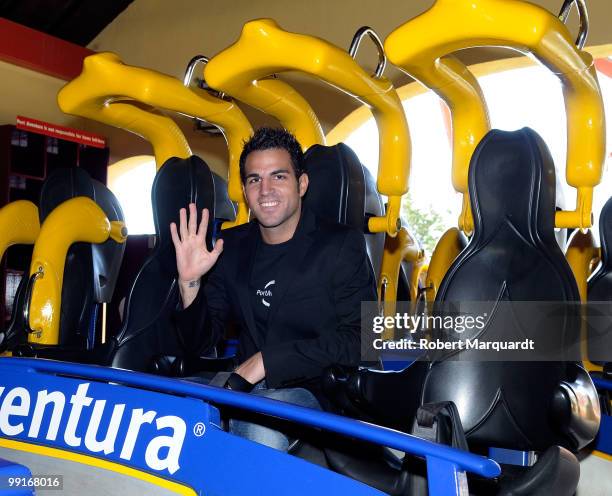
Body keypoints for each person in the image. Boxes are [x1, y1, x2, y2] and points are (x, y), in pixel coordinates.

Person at [170, 127, 376, 450]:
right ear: (244, 189)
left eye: (278, 177)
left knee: (257, 426)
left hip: (317, 391)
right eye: (254, 179)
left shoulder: (340, 245)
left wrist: (267, 361)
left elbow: (362, 340)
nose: (265, 189)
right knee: (170, 404)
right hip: (243, 386)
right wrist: (189, 282)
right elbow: (200, 342)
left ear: (302, 183)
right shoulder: (232, 246)